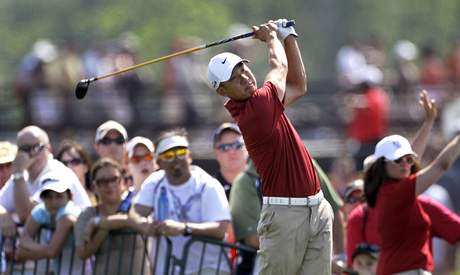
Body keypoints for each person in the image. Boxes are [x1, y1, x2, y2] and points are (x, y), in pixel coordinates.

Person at [208, 19, 333, 274]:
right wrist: (272, 38)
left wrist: (289, 36)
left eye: (243, 69)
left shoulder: (264, 103)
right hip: (285, 214)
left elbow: (298, 85)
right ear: (223, 91)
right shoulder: (256, 111)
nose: (244, 77)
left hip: (317, 208)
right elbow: (279, 66)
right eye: (234, 78)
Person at [364, 124, 460, 273]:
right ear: (381, 165)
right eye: (397, 160)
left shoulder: (407, 198)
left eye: (408, 160)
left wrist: (429, 121)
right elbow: (442, 165)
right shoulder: (393, 193)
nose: (405, 164)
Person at [134, 129, 231, 274]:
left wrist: (184, 229)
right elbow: (135, 211)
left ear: (189, 156)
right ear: (159, 162)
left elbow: (220, 228)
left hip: (208, 269)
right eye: (168, 155)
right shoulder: (154, 182)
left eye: (180, 152)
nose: (176, 160)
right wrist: (143, 226)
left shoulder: (208, 185)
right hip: (167, 270)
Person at [0, 126, 91, 237]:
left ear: (49, 149)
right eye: (24, 149)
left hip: (73, 249)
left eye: (36, 148)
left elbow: (27, 216)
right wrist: (3, 215)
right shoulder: (22, 175)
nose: (31, 154)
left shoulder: (58, 173)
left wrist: (18, 173)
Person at [74, 158, 149, 275]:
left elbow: (143, 226)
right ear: (94, 187)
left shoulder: (135, 207)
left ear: (123, 182)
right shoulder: (87, 215)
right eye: (102, 181)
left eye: (114, 179)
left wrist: (99, 223)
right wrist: (105, 227)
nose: (109, 185)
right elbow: (82, 253)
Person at [15, 180, 85, 274]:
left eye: (59, 196)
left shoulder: (68, 214)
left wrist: (30, 245)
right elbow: (19, 253)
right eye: (48, 197)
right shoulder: (40, 210)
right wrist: (46, 250)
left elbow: (52, 252)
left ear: (69, 197)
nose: (53, 202)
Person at [213, 122, 248, 199]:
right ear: (216, 153)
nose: (232, 152)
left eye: (238, 145)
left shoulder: (263, 186)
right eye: (224, 147)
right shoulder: (209, 189)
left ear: (248, 148)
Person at [56, 140, 96, 205]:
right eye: (64, 163)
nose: (69, 167)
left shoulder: (100, 199)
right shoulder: (53, 202)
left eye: (75, 162)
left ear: (86, 167)